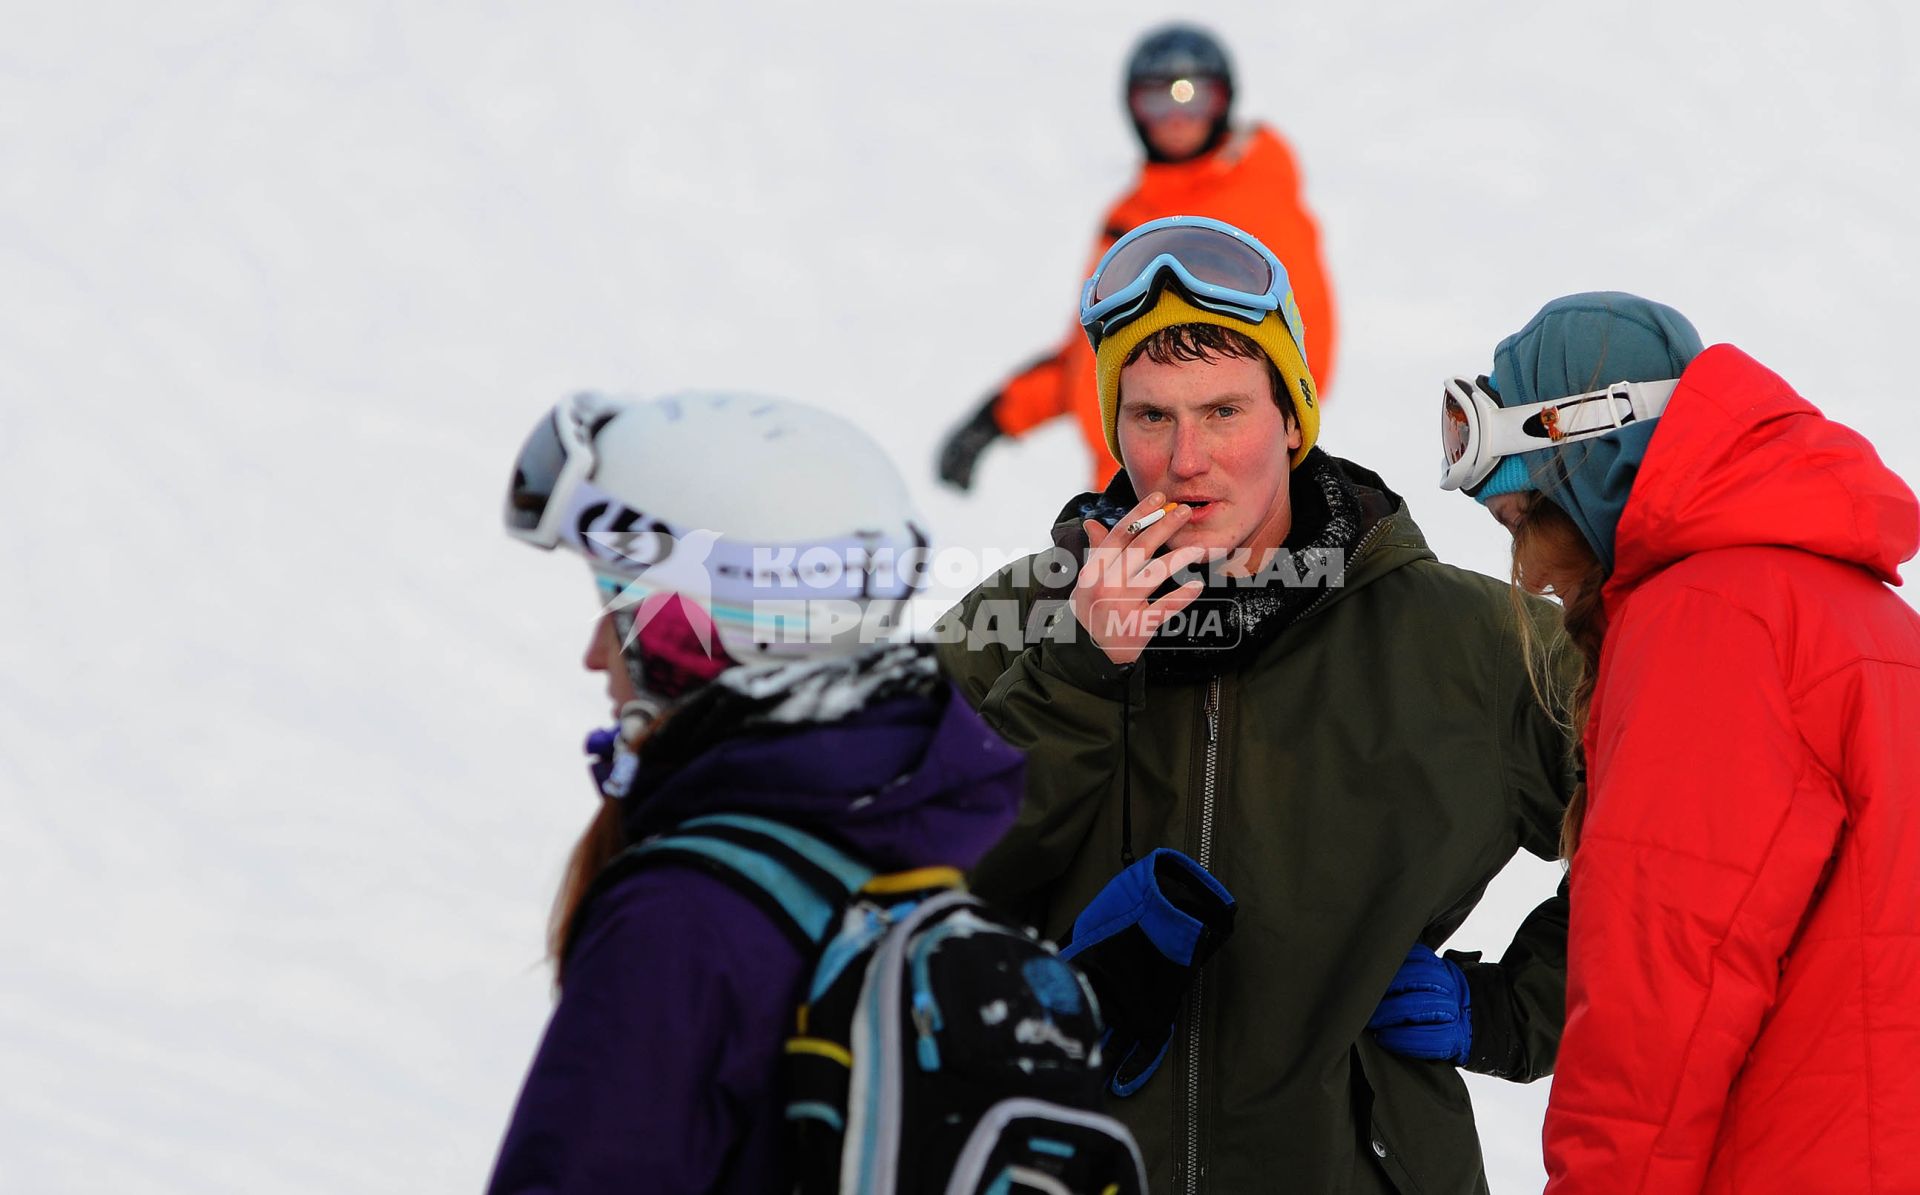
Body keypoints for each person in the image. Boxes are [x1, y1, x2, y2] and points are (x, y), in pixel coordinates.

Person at [935, 216, 1576, 1193]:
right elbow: (902, 896)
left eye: (1224, 411)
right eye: (1151, 417)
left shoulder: (1468, 641)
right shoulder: (1017, 620)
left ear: (1292, 417)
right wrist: (1077, 670)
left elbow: (1696, 846)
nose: (1187, 458)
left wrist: (1516, 1009)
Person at [485, 392, 1025, 1194]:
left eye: (623, 614)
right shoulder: (943, 845)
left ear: (695, 644)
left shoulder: (681, 927)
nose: (596, 656)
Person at [1440, 293, 1920, 1193]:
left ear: (1596, 461)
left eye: (1528, 523)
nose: (1535, 576)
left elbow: (1659, 1015)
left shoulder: (1709, 623)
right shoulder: (1868, 619)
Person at [938, 22, 1338, 493]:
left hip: (1202, 482)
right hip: (1125, 483)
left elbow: (1297, 338)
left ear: (1223, 98)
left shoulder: (1251, 202)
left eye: (1192, 95)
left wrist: (1252, 439)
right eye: (1156, 99)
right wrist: (1000, 416)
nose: (1175, 116)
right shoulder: (1133, 215)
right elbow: (1097, 339)